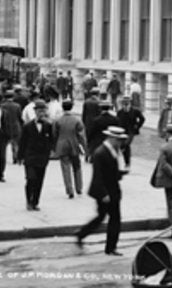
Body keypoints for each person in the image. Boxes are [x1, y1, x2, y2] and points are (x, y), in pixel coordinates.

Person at [76, 125, 129, 256]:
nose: (120, 142)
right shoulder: (101, 152)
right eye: (118, 140)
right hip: (105, 191)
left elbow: (112, 171)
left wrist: (120, 173)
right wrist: (104, 193)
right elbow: (98, 175)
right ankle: (110, 248)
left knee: (102, 217)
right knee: (114, 219)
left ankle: (82, 234)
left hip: (111, 190)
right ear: (111, 138)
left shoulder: (112, 151)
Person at [17, 100, 55, 210]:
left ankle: (35, 202)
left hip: (42, 158)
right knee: (31, 179)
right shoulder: (28, 126)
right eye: (39, 111)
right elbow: (23, 142)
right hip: (30, 157)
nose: (41, 113)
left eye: (43, 111)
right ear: (35, 112)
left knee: (39, 181)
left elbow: (51, 141)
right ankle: (29, 200)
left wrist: (50, 152)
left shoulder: (48, 126)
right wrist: (20, 156)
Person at [53, 99, 87, 198]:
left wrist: (55, 146)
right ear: (71, 107)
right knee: (77, 167)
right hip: (74, 144)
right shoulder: (77, 120)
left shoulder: (58, 120)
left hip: (62, 145)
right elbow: (81, 135)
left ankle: (69, 190)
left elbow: (54, 134)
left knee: (65, 168)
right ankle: (79, 187)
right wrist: (84, 147)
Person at [116, 95, 145, 167]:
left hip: (131, 131)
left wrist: (137, 126)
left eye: (127, 102)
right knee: (123, 146)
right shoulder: (120, 112)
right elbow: (117, 121)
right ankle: (127, 162)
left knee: (126, 144)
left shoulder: (135, 111)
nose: (125, 104)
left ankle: (127, 162)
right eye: (124, 102)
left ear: (129, 103)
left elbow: (142, 119)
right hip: (122, 132)